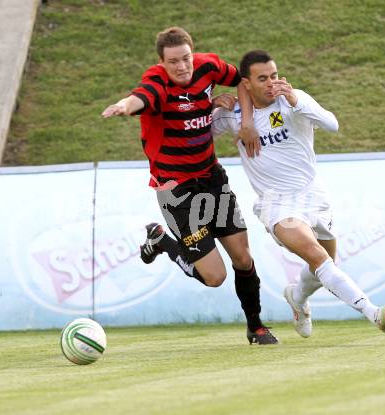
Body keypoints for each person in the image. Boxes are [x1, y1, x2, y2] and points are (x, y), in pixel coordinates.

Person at [102, 28, 278, 345]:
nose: (182, 67)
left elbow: (243, 80)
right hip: (177, 192)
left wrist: (246, 121)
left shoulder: (208, 66)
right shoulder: (157, 81)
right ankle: (163, 243)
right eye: (173, 62)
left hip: (211, 179)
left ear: (192, 53)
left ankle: (256, 326)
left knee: (243, 258)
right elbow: (142, 97)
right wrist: (125, 106)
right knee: (215, 277)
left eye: (186, 59)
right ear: (161, 62)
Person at [211, 49, 385, 337]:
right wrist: (209, 104)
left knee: (325, 263)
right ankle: (373, 312)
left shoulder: (292, 100)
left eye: (274, 75)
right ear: (246, 84)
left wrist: (297, 102)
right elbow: (196, 130)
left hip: (313, 194)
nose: (271, 82)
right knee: (317, 255)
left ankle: (297, 298)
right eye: (262, 78)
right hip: (276, 203)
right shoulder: (234, 115)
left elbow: (332, 124)